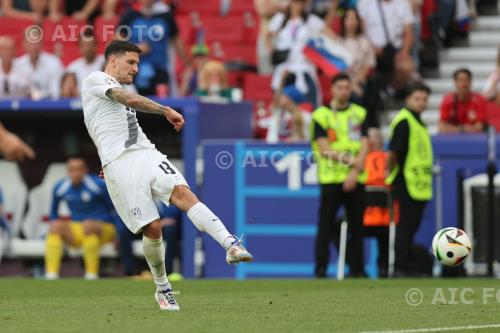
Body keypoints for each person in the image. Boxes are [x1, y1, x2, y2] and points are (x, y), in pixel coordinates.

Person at [81, 40, 253, 311]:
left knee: (183, 193)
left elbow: (117, 121)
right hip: (120, 165)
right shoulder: (95, 79)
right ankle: (162, 288)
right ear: (113, 61)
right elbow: (126, 100)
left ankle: (230, 244)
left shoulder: (125, 87)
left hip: (145, 152)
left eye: (138, 63)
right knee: (153, 228)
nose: (136, 69)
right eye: (131, 62)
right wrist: (164, 109)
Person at [310, 73, 369, 278]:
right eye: (340, 87)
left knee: (357, 226)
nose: (344, 91)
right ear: (332, 90)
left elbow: (365, 143)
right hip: (331, 178)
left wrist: (354, 171)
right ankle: (321, 268)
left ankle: (357, 269)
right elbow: (324, 149)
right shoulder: (321, 116)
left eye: (347, 87)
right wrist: (354, 162)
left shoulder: (360, 113)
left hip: (356, 178)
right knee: (325, 225)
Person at [386, 81, 433, 276]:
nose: (421, 103)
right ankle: (399, 266)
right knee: (405, 226)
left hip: (419, 184)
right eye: (417, 98)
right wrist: (389, 175)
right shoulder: (404, 121)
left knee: (411, 226)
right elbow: (394, 152)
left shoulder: (418, 122)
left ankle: (405, 264)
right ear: (407, 99)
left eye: (424, 99)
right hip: (405, 182)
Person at [44, 156, 117, 280]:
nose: (75, 173)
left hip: (104, 227)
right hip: (79, 228)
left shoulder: (98, 185)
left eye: (79, 169)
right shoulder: (60, 187)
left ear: (85, 170)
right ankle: (51, 274)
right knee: (56, 227)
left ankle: (91, 274)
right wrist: (54, 225)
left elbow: (115, 209)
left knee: (88, 226)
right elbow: (53, 213)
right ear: (68, 171)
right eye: (72, 169)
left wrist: (119, 234)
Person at [266, 0, 336, 108]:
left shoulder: (311, 21)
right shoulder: (281, 19)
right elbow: (266, 35)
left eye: (301, 2)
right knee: (280, 104)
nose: (298, 5)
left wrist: (318, 55)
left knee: (309, 104)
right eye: (295, 2)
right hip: (284, 67)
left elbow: (331, 38)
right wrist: (274, 54)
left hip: (305, 67)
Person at [117, 0, 191, 96]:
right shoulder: (130, 16)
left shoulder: (165, 16)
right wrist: (135, 48)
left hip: (160, 70)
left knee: (160, 106)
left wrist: (188, 64)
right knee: (134, 106)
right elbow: (116, 44)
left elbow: (177, 41)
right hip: (133, 71)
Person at [357, 0, 415, 95]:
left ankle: (393, 91)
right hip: (371, 48)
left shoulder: (403, 3)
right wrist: (372, 47)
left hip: (395, 48)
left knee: (406, 67)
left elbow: (409, 32)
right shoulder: (365, 3)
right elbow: (362, 31)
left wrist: (404, 52)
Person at [362, 128, 399, 277]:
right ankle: (384, 269)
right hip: (388, 221)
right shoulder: (390, 160)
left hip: (362, 221)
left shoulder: (360, 161)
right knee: (386, 241)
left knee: (342, 231)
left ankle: (355, 267)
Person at [119, 200, 182, 277]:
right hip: (145, 226)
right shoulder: (139, 196)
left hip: (164, 230)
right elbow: (135, 217)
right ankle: (129, 272)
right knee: (125, 231)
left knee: (171, 229)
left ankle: (167, 271)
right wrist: (157, 223)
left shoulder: (168, 197)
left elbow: (173, 217)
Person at [338, 8, 376, 101]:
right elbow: (336, 68)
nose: (351, 21)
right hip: (341, 82)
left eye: (354, 18)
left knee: (356, 95)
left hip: (359, 81)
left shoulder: (364, 42)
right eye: (348, 18)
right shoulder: (337, 43)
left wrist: (354, 84)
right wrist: (349, 86)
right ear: (343, 21)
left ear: (358, 22)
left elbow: (367, 66)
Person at [16, 25, 64, 99]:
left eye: (37, 42)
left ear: (41, 44)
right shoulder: (17, 64)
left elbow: (55, 94)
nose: (34, 46)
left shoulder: (54, 62)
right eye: (30, 42)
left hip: (49, 106)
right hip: (23, 107)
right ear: (24, 44)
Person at [439, 68, 486, 134]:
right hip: (453, 140)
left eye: (466, 80)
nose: (463, 84)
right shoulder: (447, 100)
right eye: (460, 80)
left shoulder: (479, 100)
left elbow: (480, 127)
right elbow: (441, 127)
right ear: (455, 83)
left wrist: (453, 129)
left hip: (474, 140)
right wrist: (461, 129)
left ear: (470, 82)